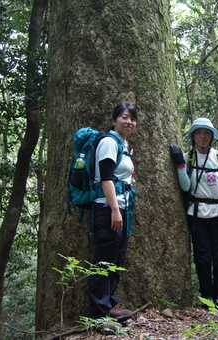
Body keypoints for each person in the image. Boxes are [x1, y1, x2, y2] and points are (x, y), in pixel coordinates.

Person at [169, 118, 218, 306]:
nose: (203, 136)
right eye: (199, 132)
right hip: (197, 213)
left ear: (211, 136)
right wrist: (180, 166)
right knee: (202, 255)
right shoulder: (187, 157)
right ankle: (206, 294)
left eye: (207, 133)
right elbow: (186, 187)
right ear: (193, 136)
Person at [88, 102, 137, 332]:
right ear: (115, 119)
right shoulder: (108, 142)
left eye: (132, 118)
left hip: (122, 209)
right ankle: (99, 315)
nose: (128, 121)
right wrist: (115, 210)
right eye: (124, 117)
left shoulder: (123, 144)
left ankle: (110, 306)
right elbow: (106, 178)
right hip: (108, 209)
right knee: (103, 260)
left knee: (117, 258)